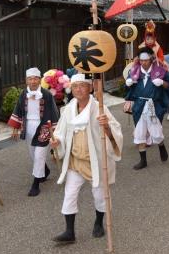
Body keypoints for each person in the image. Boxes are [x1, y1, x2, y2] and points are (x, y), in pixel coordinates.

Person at [50, 73, 123, 244]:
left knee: (99, 196)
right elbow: (61, 131)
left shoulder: (100, 108)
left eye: (82, 86)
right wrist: (57, 141)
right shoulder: (68, 109)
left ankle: (98, 223)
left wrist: (107, 127)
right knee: (69, 194)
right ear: (71, 89)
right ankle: (69, 232)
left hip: (96, 162)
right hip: (75, 161)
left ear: (90, 88)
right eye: (75, 86)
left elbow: (116, 132)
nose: (78, 89)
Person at [8, 67, 59, 197]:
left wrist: (55, 130)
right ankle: (45, 171)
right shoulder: (23, 94)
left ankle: (35, 185)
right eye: (30, 79)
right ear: (26, 80)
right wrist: (15, 128)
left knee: (39, 155)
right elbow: (18, 110)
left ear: (40, 79)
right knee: (33, 155)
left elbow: (54, 111)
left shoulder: (47, 94)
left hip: (44, 127)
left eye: (36, 78)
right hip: (28, 126)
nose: (33, 81)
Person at [124, 47, 169, 169]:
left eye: (146, 60)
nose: (143, 63)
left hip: (151, 106)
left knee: (156, 132)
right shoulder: (134, 71)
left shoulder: (160, 71)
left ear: (151, 59)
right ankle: (143, 160)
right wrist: (128, 84)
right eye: (141, 60)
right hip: (139, 105)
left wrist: (162, 83)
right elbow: (129, 90)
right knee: (139, 134)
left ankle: (161, 146)